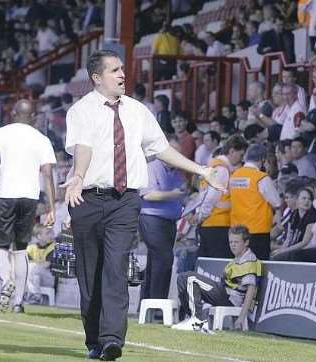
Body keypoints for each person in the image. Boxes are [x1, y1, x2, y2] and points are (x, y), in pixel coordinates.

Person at [63, 50, 222, 361]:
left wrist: (201, 170)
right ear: (97, 78)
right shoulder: (80, 111)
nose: (123, 74)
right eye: (114, 70)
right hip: (87, 199)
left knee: (117, 268)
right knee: (90, 277)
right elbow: (83, 147)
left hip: (125, 200)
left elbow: (162, 149)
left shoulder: (138, 111)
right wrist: (78, 176)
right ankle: (94, 338)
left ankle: (112, 341)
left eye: (122, 69)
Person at [0, 99, 56, 314]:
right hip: (30, 197)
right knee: (20, 249)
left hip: (4, 193)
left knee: (0, 246)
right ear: (33, 115)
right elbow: (47, 173)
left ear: (13, 113)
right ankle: (18, 302)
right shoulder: (42, 139)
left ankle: (6, 280)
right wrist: (52, 207)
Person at [172, 225, 261, 332]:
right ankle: (191, 318)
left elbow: (251, 290)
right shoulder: (237, 259)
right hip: (222, 293)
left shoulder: (249, 261)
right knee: (182, 278)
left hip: (230, 299)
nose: (233, 245)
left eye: (236, 242)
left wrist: (241, 316)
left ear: (246, 242)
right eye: (231, 242)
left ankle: (197, 320)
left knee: (191, 278)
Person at [139, 135, 186, 300]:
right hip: (152, 219)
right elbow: (148, 195)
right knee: (164, 258)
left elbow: (182, 194)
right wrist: (172, 194)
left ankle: (147, 305)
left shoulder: (177, 173)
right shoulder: (152, 168)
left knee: (155, 262)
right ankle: (158, 303)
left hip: (169, 222)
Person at [196, 135, 248, 258]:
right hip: (217, 223)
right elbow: (212, 195)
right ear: (232, 151)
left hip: (209, 223)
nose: (241, 159)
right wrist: (202, 215)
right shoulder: (222, 169)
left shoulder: (212, 165)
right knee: (218, 264)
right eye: (240, 155)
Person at [230, 144, 281, 259]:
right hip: (258, 230)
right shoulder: (261, 177)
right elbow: (276, 201)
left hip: (238, 230)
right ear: (263, 160)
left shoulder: (234, 176)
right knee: (258, 267)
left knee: (240, 264)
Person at [271, 188, 316, 260]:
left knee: (279, 257)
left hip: (306, 250)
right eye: (304, 198)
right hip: (294, 248)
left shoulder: (314, 216)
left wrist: (285, 251)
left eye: (309, 199)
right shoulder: (294, 214)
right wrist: (281, 249)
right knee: (273, 255)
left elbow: (305, 242)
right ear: (297, 200)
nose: (307, 201)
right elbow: (289, 238)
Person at [26, 224, 56, 304]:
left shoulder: (53, 246)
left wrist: (34, 264)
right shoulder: (31, 247)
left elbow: (47, 265)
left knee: (32, 267)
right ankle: (34, 296)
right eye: (47, 233)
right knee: (29, 270)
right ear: (39, 236)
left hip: (49, 279)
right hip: (35, 277)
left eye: (50, 233)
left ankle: (35, 296)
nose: (50, 235)